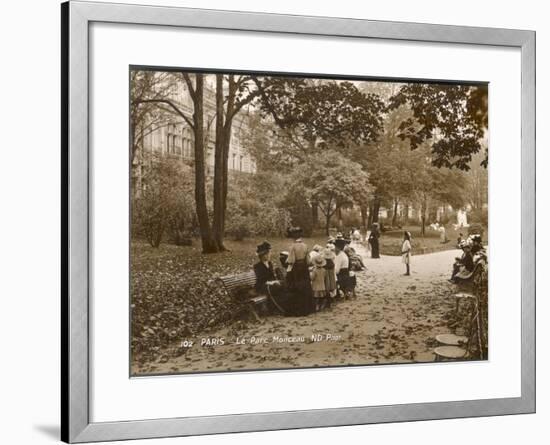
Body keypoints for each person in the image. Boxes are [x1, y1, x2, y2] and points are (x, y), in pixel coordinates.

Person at [286, 227, 313, 315]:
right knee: (305, 286)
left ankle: (299, 310)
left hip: (297, 268)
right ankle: (307, 309)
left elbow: (291, 260)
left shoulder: (292, 247)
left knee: (297, 287)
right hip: (304, 268)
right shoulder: (305, 246)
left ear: (294, 236)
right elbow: (308, 261)